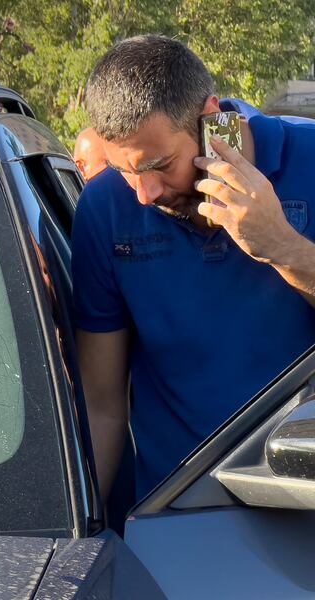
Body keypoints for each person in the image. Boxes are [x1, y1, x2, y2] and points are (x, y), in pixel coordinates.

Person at [72, 34, 315, 502]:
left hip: (304, 510)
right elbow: (102, 406)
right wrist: (81, 534)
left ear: (212, 120)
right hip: (175, 517)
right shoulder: (104, 208)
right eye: (126, 171)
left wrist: (281, 246)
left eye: (160, 165)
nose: (145, 193)